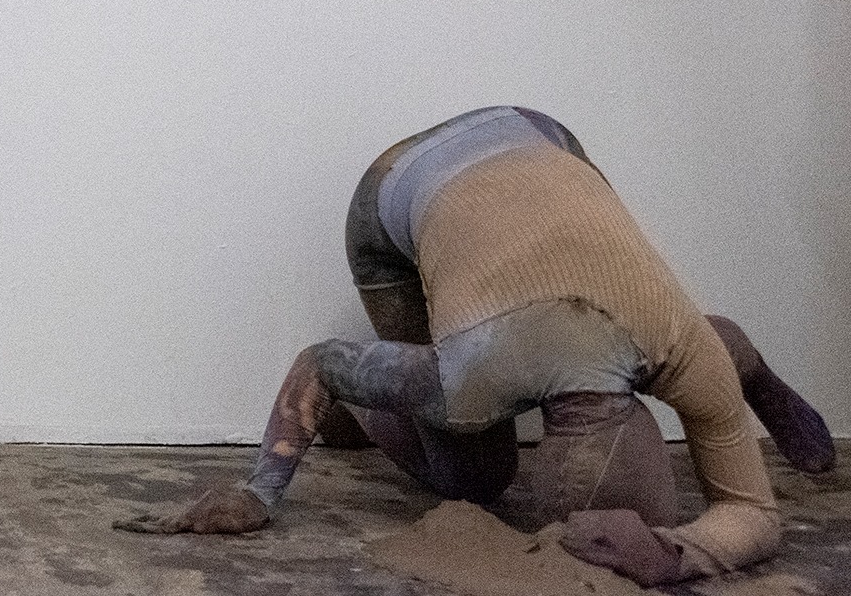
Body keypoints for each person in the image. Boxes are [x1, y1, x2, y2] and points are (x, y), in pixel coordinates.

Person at [114, 106, 836, 586]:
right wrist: (258, 491)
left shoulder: (689, 351)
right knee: (471, 476)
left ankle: (760, 380)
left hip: (539, 134)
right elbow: (321, 362)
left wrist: (671, 553)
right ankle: (363, 411)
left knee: (693, 361)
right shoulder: (471, 379)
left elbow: (757, 517)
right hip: (393, 187)